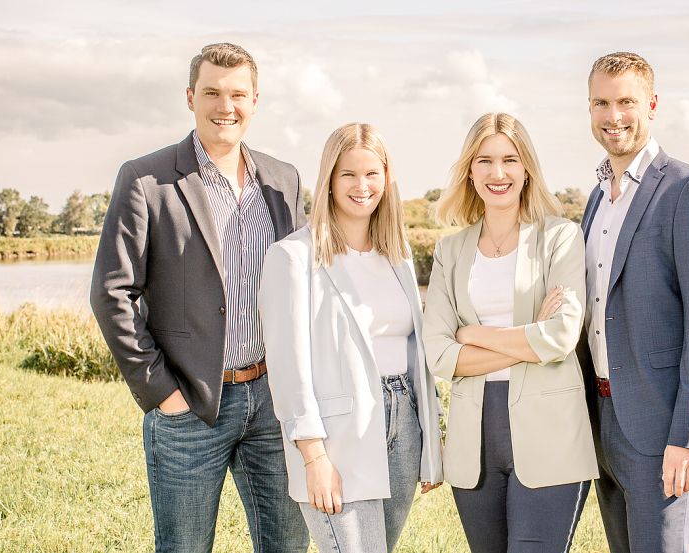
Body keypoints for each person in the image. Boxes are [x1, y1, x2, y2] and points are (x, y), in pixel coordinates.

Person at [89, 43, 309, 552]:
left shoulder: (283, 179)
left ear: (255, 101)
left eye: (237, 94)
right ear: (191, 97)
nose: (224, 106)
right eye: (211, 92)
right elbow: (112, 292)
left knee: (289, 547)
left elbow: (305, 286)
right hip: (189, 404)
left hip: (275, 402)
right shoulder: (146, 179)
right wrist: (161, 392)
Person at [258, 122, 444, 552]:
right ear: (329, 181)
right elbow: (289, 369)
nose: (362, 186)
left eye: (372, 174)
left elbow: (414, 352)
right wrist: (314, 457)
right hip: (337, 437)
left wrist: (429, 446)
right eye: (349, 175)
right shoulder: (292, 257)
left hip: (402, 425)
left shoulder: (395, 255)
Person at [578, 51, 689, 553]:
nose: (613, 116)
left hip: (666, 428)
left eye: (626, 101)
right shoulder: (597, 197)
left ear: (652, 104)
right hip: (605, 420)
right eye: (601, 103)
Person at [423, 112, 598, 553]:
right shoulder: (450, 249)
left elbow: (560, 338)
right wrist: (528, 340)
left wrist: (473, 333)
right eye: (484, 161)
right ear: (469, 170)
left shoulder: (560, 237)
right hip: (473, 440)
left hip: (551, 435)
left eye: (510, 160)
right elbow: (440, 356)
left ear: (527, 169)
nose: (497, 173)